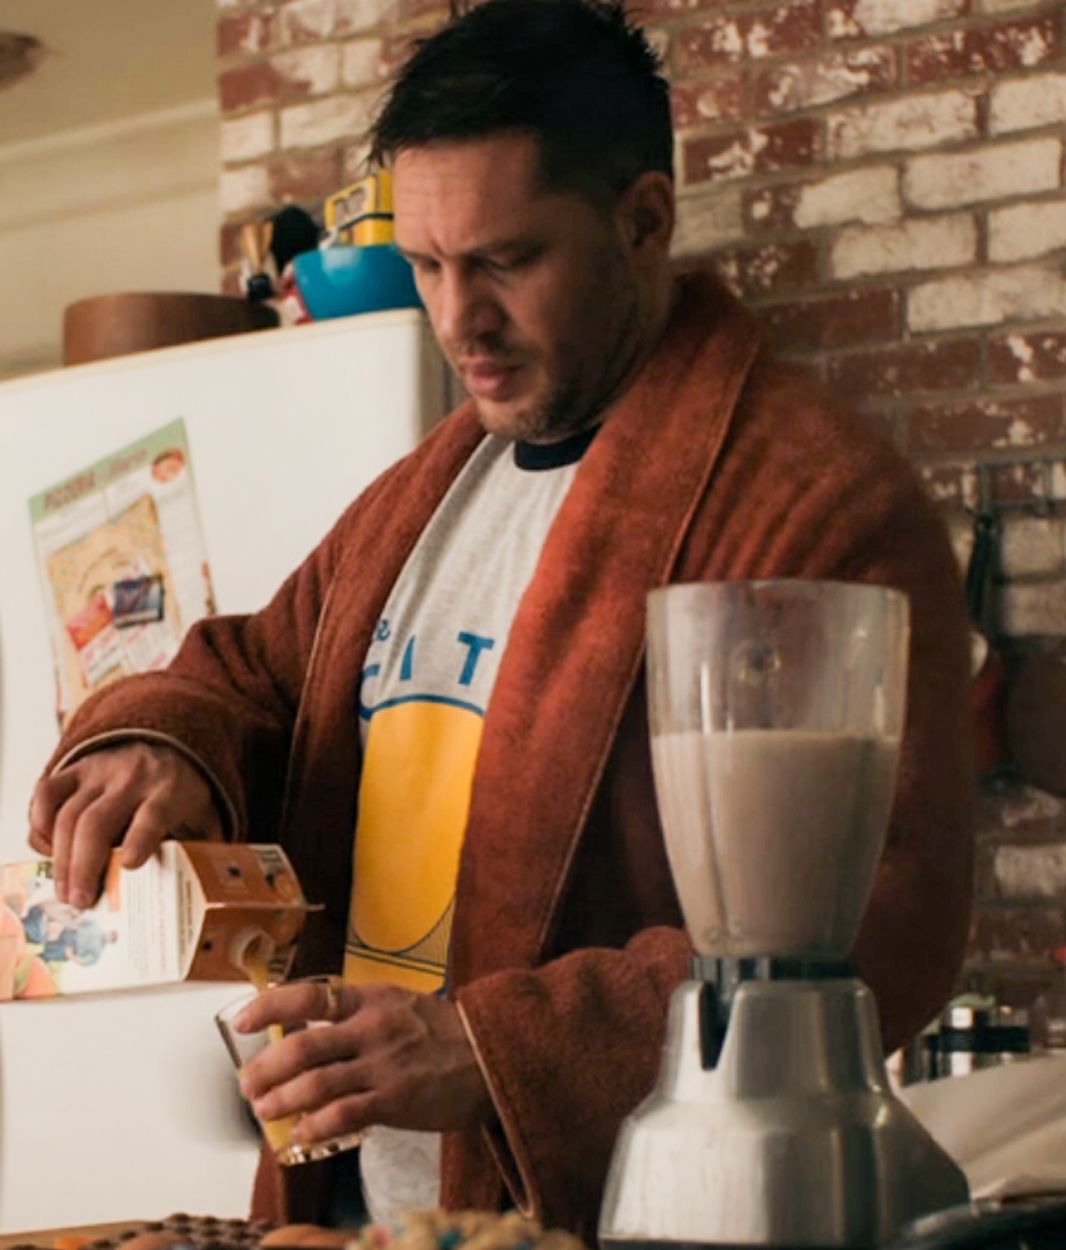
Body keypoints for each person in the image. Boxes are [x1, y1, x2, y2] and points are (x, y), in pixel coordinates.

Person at [26, 0, 974, 1239]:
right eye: (426, 265)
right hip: (367, 1218)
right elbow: (252, 675)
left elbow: (876, 926)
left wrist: (489, 1046)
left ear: (643, 220)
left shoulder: (812, 501)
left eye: (504, 261)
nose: (456, 318)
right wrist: (158, 743)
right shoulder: (430, 489)